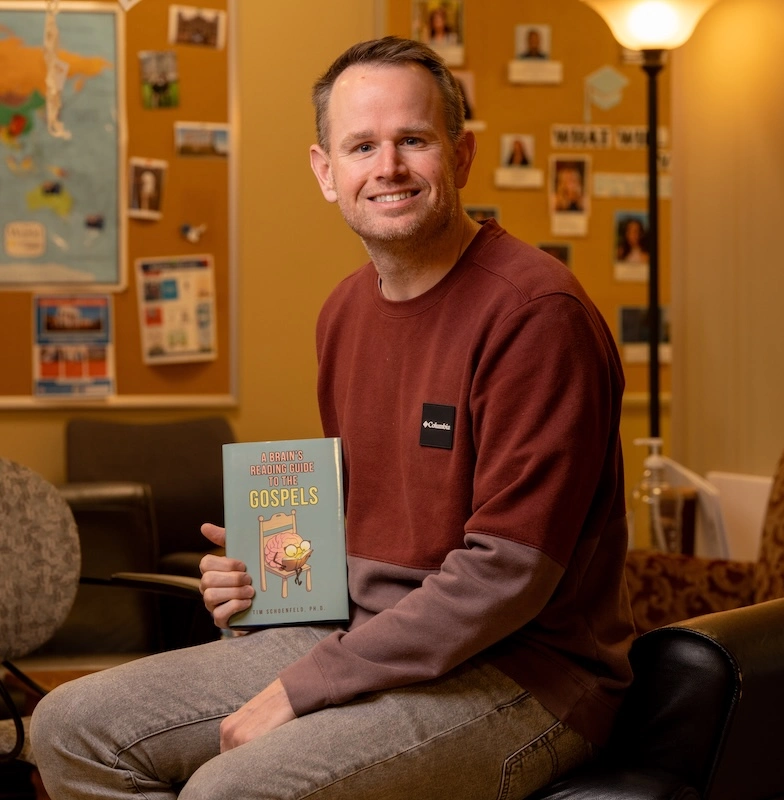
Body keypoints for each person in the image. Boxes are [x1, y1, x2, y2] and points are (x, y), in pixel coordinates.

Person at [30, 36, 634, 800]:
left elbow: (506, 576)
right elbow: (356, 525)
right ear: (326, 171)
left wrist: (306, 686)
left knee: (230, 791)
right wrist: (263, 581)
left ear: (462, 154)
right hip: (359, 637)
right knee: (68, 726)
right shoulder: (344, 312)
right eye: (362, 146)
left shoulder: (536, 315)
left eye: (413, 140)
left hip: (523, 672)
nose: (388, 167)